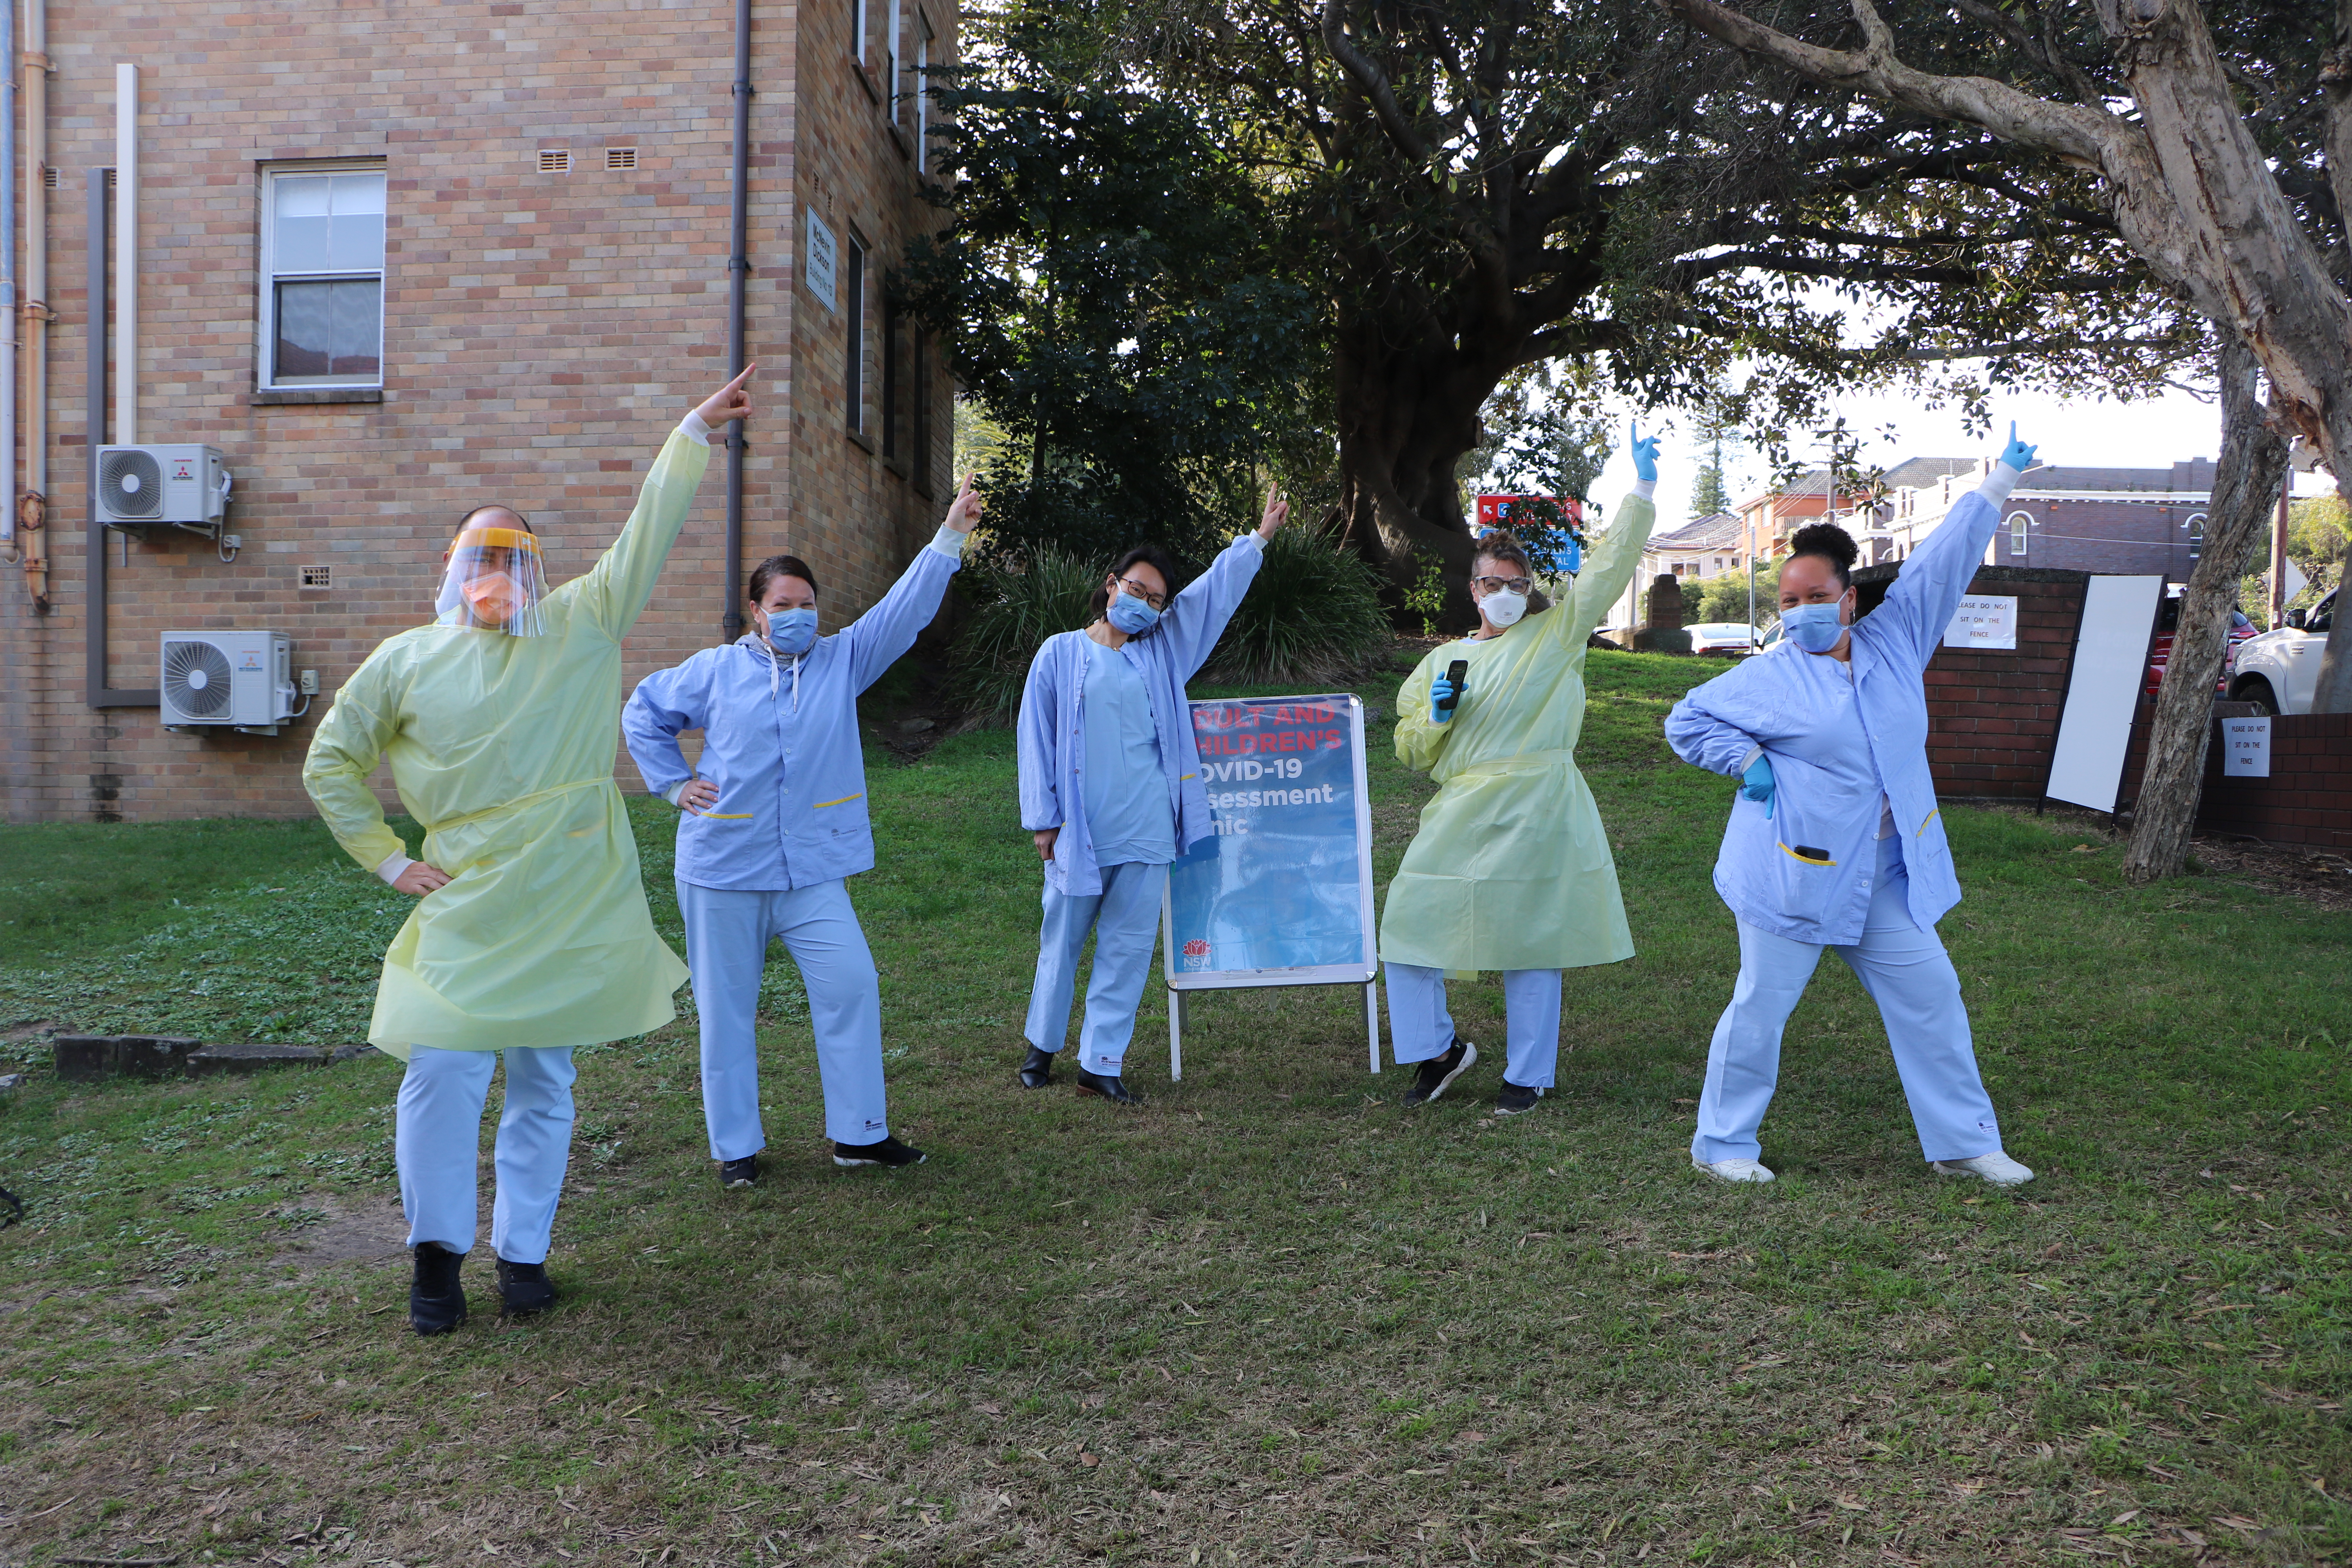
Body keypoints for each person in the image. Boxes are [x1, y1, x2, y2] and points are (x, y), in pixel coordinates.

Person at [303, 365, 754, 1335]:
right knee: (443, 1070)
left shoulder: (581, 625)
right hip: (467, 897)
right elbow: (332, 760)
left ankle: (524, 1254)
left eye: (513, 554)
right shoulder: (405, 658)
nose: (496, 571)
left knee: (546, 1077)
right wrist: (389, 858)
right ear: (454, 564)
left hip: (566, 892)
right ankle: (435, 1260)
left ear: (535, 565)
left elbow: (645, 540)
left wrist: (692, 433)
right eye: (480, 553)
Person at [1663, 424, 2043, 1187]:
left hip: (1882, 878)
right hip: (1791, 871)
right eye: (1789, 599)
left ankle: (1964, 1144)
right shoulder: (1771, 674)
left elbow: (1943, 563)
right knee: (1761, 1008)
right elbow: (1687, 720)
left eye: (1817, 596)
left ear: (1850, 597)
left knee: (1932, 993)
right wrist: (1747, 760)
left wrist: (1999, 480)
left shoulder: (1897, 637)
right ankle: (1723, 1143)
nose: (1801, 610)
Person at [620, 474, 986, 1188]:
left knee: (851, 985)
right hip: (723, 867)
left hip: (811, 871)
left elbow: (904, 612)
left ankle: (860, 1136)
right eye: (782, 606)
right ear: (757, 613)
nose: (797, 616)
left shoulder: (841, 661)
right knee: (727, 1012)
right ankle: (737, 1150)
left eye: (807, 605)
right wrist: (671, 782)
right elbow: (644, 711)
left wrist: (950, 536)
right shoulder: (717, 671)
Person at [1379, 424, 1664, 1114]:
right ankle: (1439, 1052)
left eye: (1516, 583)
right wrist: (1439, 716)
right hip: (1461, 810)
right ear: (1472, 588)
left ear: (1528, 589)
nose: (1503, 592)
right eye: (1491, 582)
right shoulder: (1435, 664)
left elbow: (1604, 572)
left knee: (1533, 939)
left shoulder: (1553, 638)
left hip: (1538, 804)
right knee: (1408, 928)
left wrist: (1643, 490)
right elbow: (1411, 751)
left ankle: (1527, 1074)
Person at [1016, 486, 1292, 1104]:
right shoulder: (1059, 655)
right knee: (1061, 938)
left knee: (1127, 945)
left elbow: (1213, 598)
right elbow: (1034, 739)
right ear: (1111, 584)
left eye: (1156, 600)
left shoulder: (1164, 652)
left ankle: (1100, 1064)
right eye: (1135, 590)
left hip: (1145, 827)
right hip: (1079, 831)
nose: (1143, 604)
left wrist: (1258, 541)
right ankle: (1042, 1045)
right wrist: (1044, 819)